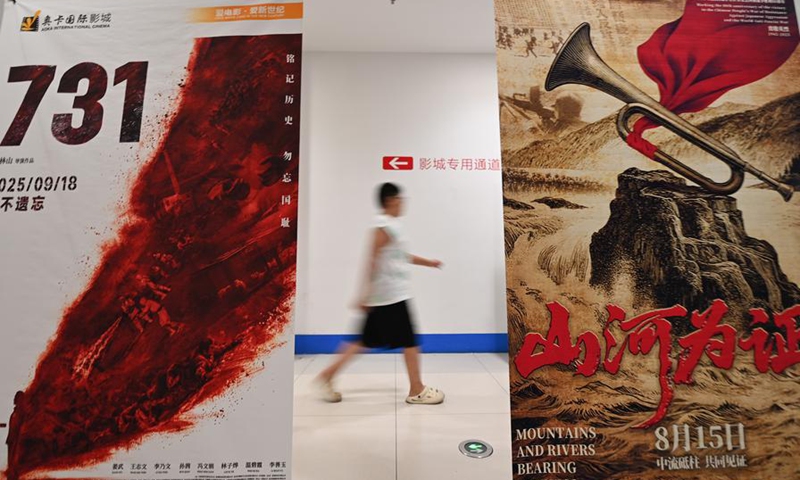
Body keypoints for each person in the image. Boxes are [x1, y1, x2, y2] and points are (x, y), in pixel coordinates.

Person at [316, 183, 445, 405]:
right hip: (390, 296)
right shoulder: (382, 227)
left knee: (363, 341)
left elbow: (400, 255)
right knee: (410, 340)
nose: (403, 203)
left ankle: (327, 376)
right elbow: (371, 261)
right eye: (400, 199)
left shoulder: (392, 226)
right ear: (390, 200)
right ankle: (417, 390)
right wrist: (364, 295)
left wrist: (429, 263)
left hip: (388, 295)